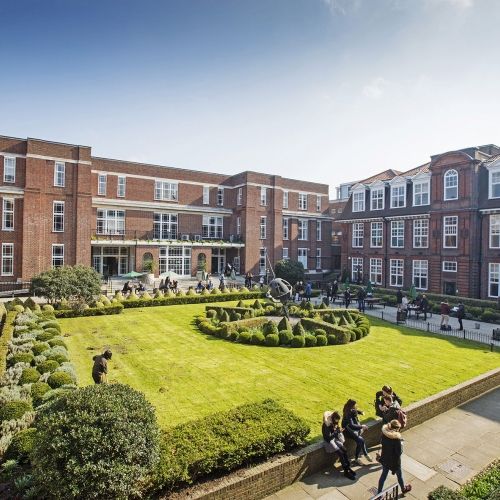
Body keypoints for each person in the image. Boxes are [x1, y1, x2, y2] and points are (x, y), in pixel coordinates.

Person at [376, 420, 412, 496]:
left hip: (385, 459)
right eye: (398, 429)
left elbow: (383, 444)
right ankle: (403, 489)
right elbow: (398, 453)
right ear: (395, 429)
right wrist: (401, 444)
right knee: (399, 476)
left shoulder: (384, 434)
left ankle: (379, 494)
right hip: (395, 462)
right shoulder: (397, 440)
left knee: (383, 476)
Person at [322, 411, 356, 480]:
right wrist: (336, 432)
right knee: (340, 453)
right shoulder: (326, 425)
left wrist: (338, 430)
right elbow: (328, 438)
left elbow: (335, 431)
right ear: (333, 418)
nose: (337, 422)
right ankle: (346, 472)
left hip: (334, 439)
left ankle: (348, 467)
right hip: (329, 442)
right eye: (336, 420)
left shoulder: (334, 422)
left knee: (344, 450)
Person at [342, 399, 372, 465]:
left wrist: (360, 412)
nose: (356, 406)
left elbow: (354, 411)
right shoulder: (348, 414)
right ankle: (363, 455)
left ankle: (358, 458)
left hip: (353, 430)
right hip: (348, 431)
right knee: (361, 440)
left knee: (360, 441)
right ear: (352, 405)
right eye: (355, 405)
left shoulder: (349, 409)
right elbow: (352, 425)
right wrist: (362, 426)